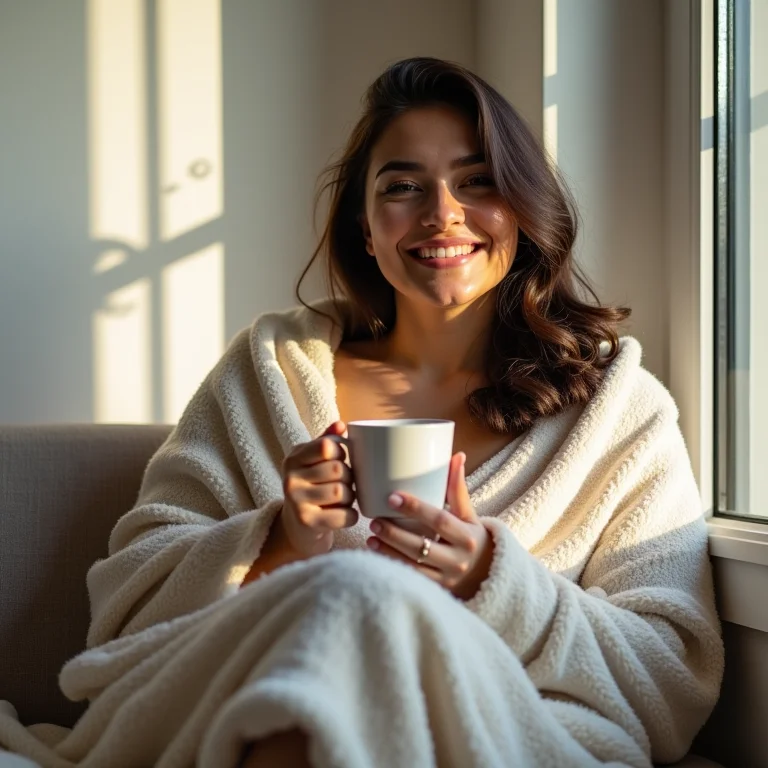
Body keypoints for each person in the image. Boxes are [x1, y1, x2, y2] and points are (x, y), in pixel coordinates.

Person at [0, 57, 723, 768]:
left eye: (477, 181)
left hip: (482, 729)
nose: (442, 213)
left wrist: (490, 581)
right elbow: (126, 608)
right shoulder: (266, 378)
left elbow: (668, 669)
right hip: (240, 705)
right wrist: (279, 538)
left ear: (525, 208)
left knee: (359, 588)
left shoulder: (618, 414)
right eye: (403, 187)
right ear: (367, 228)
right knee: (349, 588)